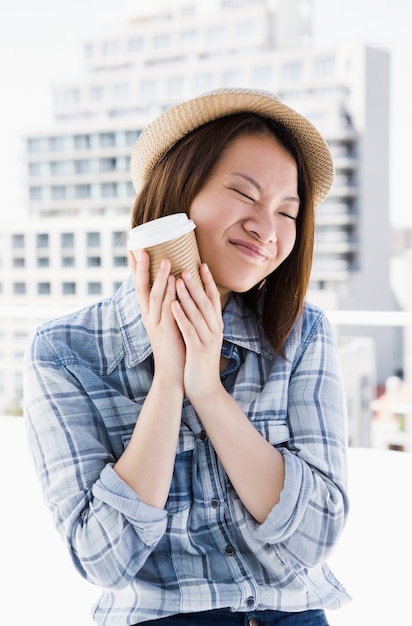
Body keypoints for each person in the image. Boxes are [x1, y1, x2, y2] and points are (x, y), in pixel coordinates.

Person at [24, 87, 351, 626]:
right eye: (245, 194)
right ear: (178, 193)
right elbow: (103, 559)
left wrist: (209, 391)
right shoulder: (66, 351)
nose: (267, 230)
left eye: (287, 212)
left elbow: (317, 534)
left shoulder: (302, 332)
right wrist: (168, 380)